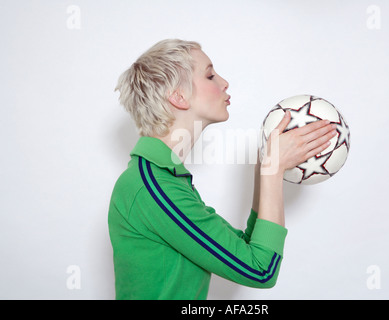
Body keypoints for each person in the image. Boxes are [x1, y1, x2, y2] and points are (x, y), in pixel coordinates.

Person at [108, 39, 337, 299]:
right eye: (209, 75)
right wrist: (273, 170)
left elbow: (245, 249)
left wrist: (264, 167)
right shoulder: (152, 188)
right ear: (178, 96)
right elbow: (260, 270)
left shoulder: (164, 178)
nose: (224, 82)